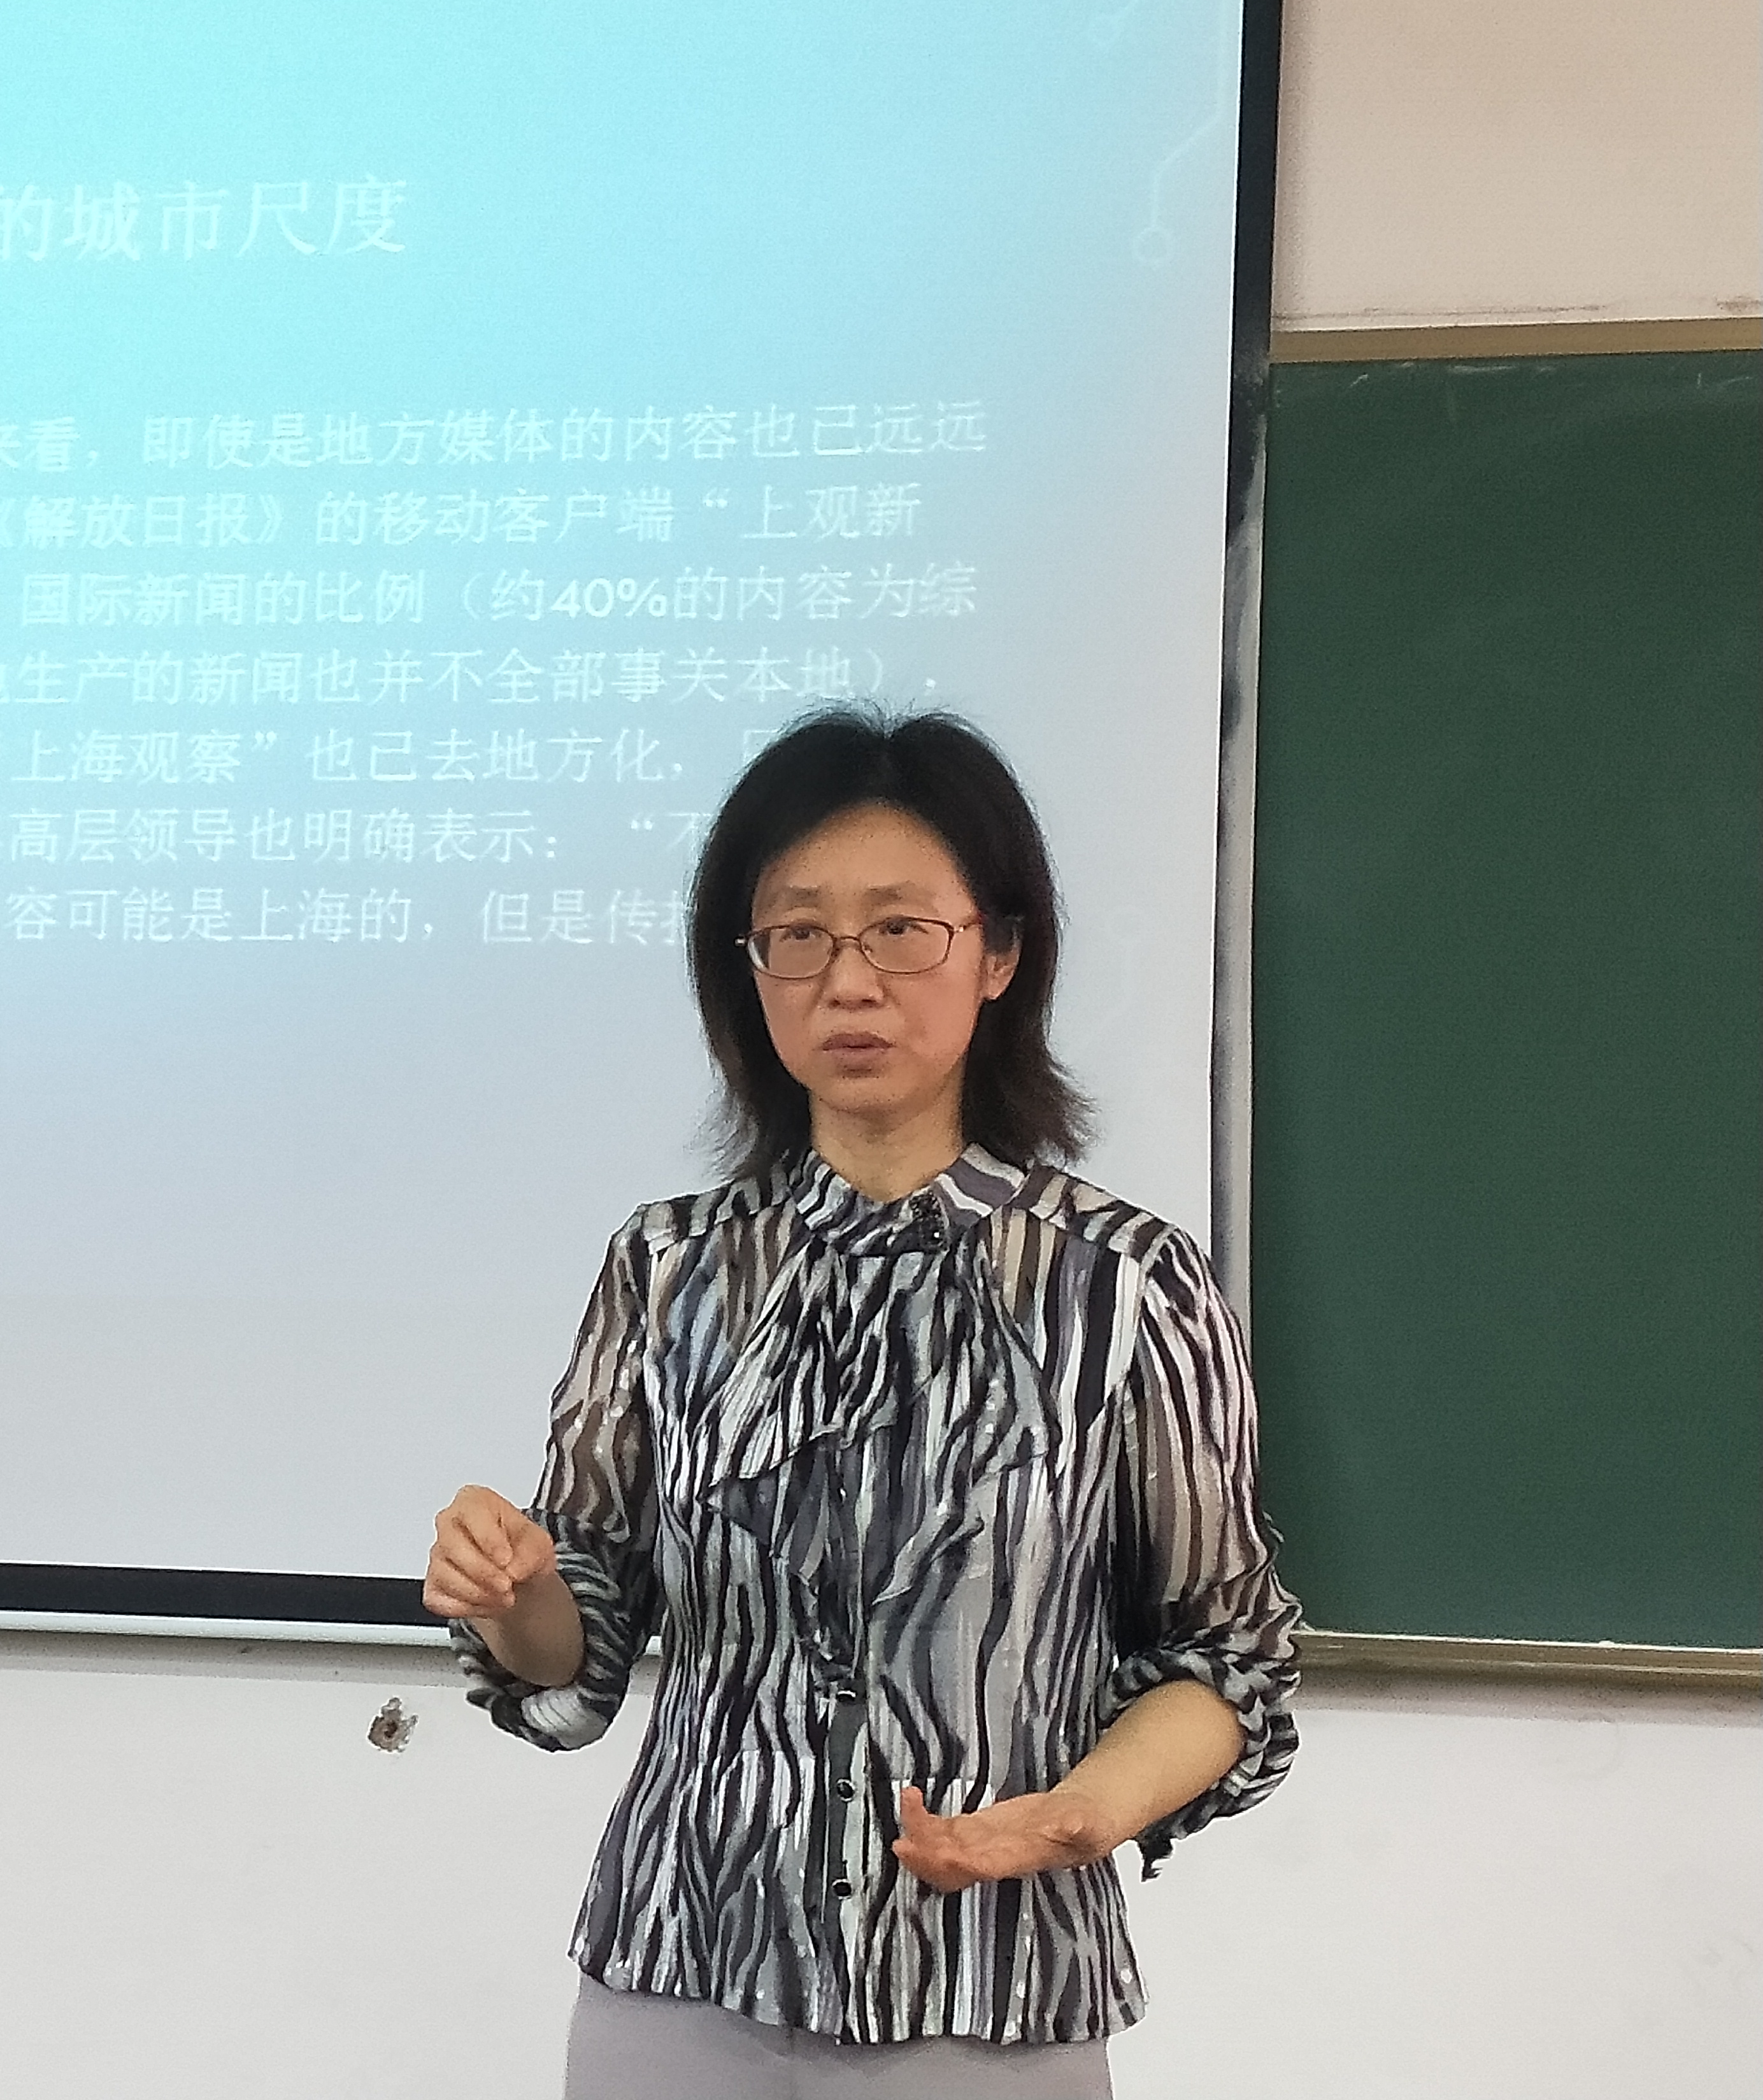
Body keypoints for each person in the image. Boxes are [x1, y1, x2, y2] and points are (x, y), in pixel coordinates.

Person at [425, 710, 1299, 2100]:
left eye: (901, 931)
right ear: (749, 969)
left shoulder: (1127, 1283)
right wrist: (516, 1588)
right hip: (681, 1966)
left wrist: (1080, 1815)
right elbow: (571, 1655)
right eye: (799, 935)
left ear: (999, 955)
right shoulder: (668, 1268)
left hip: (990, 1984)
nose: (849, 982)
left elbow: (1225, 1657)